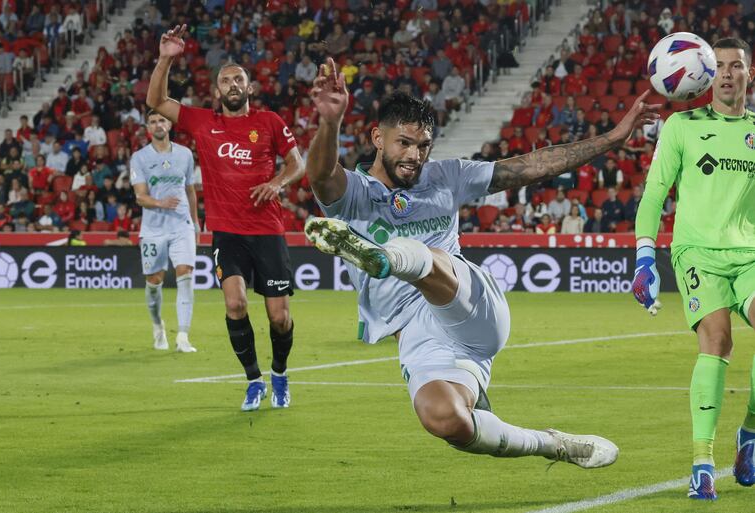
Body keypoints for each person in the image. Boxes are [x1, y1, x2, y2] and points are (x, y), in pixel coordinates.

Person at [304, 58, 658, 467]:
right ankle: (554, 444)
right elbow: (321, 177)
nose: (414, 155)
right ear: (377, 138)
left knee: (432, 261)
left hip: (468, 303)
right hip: (417, 335)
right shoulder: (355, 192)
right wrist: (329, 123)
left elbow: (535, 166)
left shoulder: (448, 176)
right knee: (447, 420)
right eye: (404, 142)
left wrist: (612, 138)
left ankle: (386, 258)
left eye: (423, 146)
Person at [147, 25, 306, 411]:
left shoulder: (268, 122)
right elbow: (155, 100)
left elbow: (297, 164)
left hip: (267, 230)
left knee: (279, 316)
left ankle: (280, 373)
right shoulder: (203, 122)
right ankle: (254, 380)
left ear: (248, 88)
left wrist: (277, 183)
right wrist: (167, 57)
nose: (232, 84)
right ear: (217, 91)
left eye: (239, 79)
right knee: (235, 306)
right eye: (225, 80)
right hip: (228, 233)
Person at [631, 38, 755, 501]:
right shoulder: (681, 126)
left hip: (750, 253)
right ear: (706, 73)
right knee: (718, 339)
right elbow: (654, 193)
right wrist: (645, 257)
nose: (727, 73)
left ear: (749, 73)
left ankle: (750, 433)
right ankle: (702, 462)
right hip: (697, 252)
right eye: (719, 66)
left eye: (736, 66)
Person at [131, 110, 199, 354]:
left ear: (169, 124)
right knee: (154, 281)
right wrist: (161, 203)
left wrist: (196, 222)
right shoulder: (139, 158)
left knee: (185, 275)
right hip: (153, 229)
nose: (158, 124)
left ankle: (183, 336)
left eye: (161, 120)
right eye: (152, 122)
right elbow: (140, 196)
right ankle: (158, 326)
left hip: (182, 226)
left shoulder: (185, 154)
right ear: (148, 128)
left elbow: (190, 190)